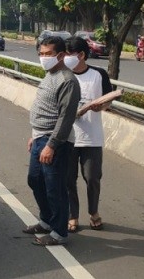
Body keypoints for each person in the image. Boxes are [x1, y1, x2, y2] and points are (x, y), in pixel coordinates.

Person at [24, 35, 81, 246]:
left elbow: (66, 118)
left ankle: (59, 232)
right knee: (35, 180)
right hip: (40, 137)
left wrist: (51, 145)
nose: (43, 58)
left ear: (61, 55)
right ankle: (47, 221)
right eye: (41, 53)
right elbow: (45, 109)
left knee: (54, 187)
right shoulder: (50, 74)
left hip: (55, 142)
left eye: (48, 54)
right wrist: (35, 135)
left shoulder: (67, 81)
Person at [64, 37, 114, 233]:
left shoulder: (98, 74)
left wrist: (101, 105)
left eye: (68, 54)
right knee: (68, 179)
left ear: (81, 55)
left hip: (91, 137)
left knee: (92, 177)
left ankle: (93, 212)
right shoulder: (63, 75)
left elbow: (108, 99)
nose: (65, 58)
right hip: (67, 137)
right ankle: (72, 215)